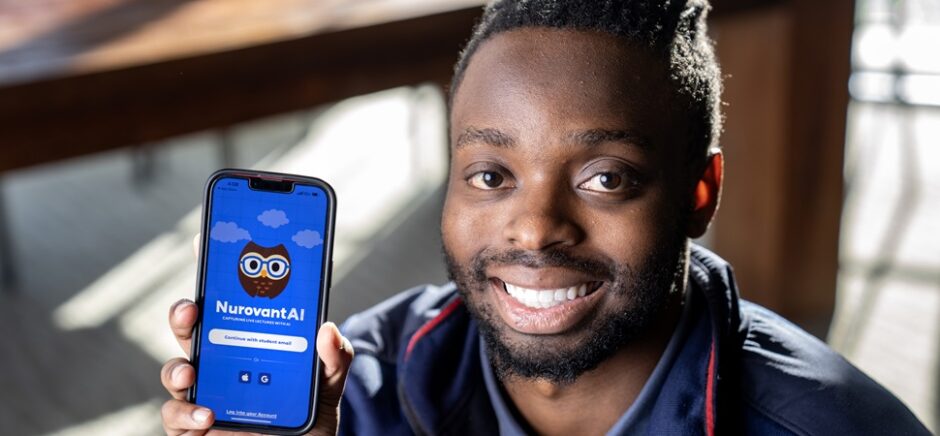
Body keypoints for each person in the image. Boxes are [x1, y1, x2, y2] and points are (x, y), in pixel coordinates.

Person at [159, 0, 930, 434]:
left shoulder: (838, 429)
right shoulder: (354, 388)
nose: (533, 230)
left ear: (701, 193)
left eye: (605, 178)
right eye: (491, 174)